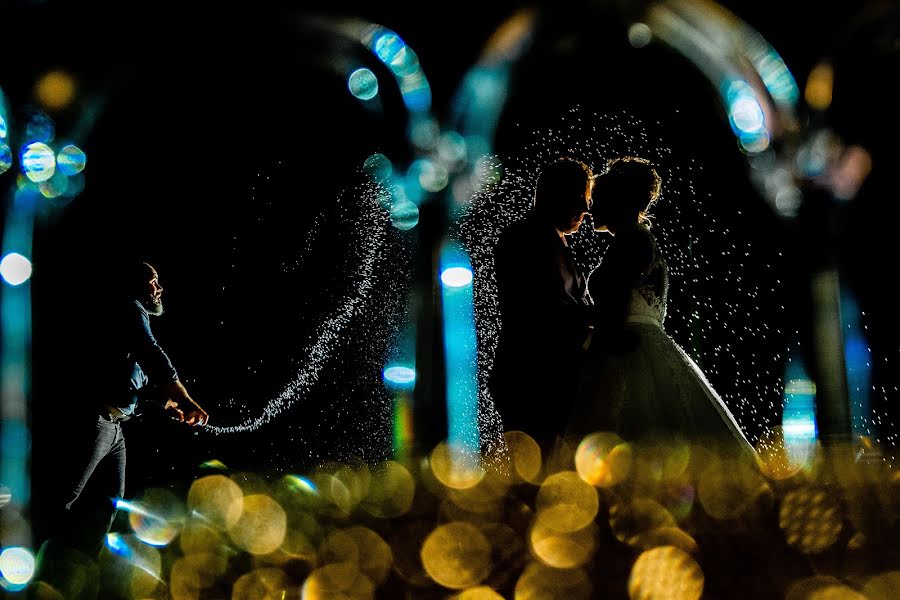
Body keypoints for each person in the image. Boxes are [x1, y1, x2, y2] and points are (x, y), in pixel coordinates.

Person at [33, 261, 209, 596]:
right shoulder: (129, 309)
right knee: (62, 501)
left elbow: (132, 378)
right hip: (93, 422)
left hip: (114, 430)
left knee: (108, 504)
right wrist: (183, 397)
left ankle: (73, 581)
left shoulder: (129, 320)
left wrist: (164, 403)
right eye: (154, 281)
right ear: (137, 286)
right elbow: (153, 354)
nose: (160, 288)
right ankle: (22, 574)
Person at [567, 156, 758, 460]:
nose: (590, 209)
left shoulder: (632, 242)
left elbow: (613, 308)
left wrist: (564, 314)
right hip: (637, 343)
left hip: (623, 349)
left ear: (618, 201)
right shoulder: (636, 240)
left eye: (598, 199)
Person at [490, 156, 595, 452]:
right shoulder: (524, 239)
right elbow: (545, 310)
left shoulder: (550, 240)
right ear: (553, 194)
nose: (587, 210)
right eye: (579, 198)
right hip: (533, 379)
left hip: (549, 380)